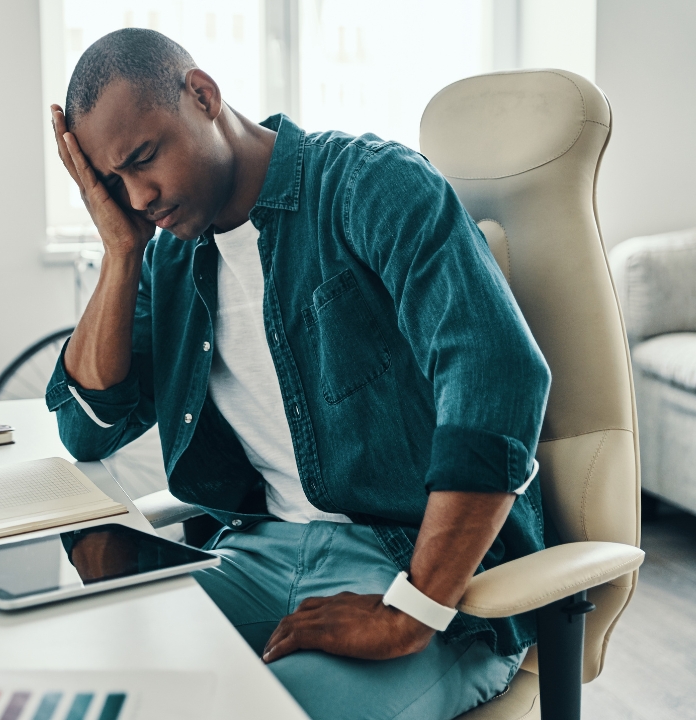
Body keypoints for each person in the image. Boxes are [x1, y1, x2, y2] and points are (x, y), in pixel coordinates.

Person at [44, 28, 551, 720]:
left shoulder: (371, 186)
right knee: (81, 677)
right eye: (113, 181)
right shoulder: (169, 256)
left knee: (260, 712)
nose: (138, 197)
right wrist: (120, 252)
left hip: (417, 570)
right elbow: (87, 426)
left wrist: (414, 607)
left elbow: (501, 379)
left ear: (202, 95)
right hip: (255, 555)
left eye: (142, 160)